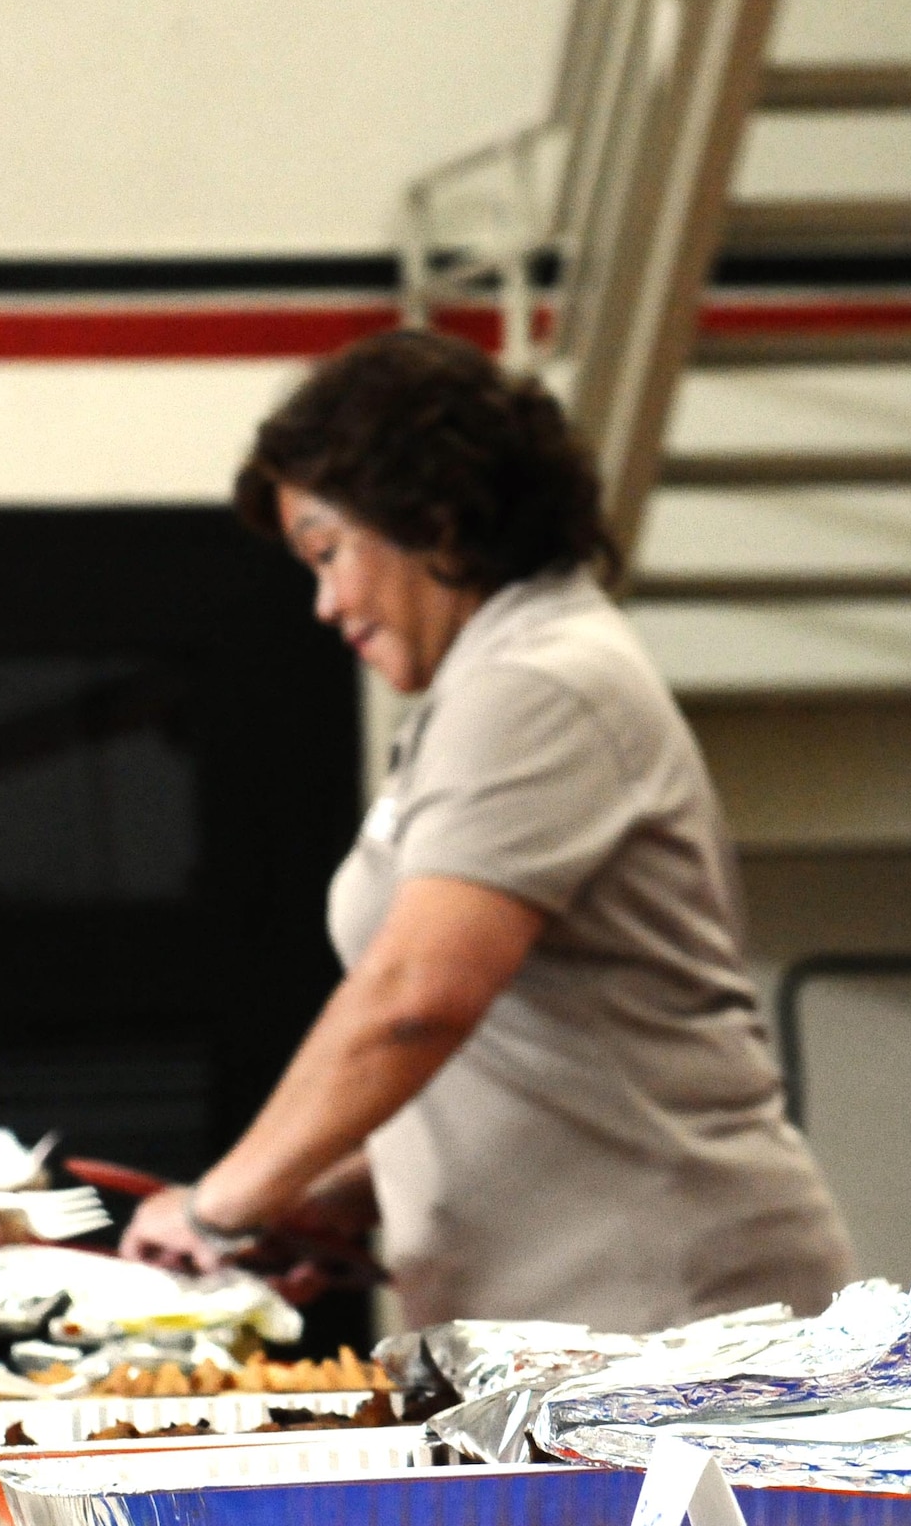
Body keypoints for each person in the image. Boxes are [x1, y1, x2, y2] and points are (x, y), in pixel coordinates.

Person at [123, 330, 855, 1335]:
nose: (325, 602)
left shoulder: (536, 683)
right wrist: (324, 1193)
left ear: (431, 517)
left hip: (663, 1314)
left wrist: (219, 1206)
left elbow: (415, 1002)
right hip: (554, 1323)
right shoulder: (483, 685)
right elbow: (511, 1065)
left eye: (327, 552)